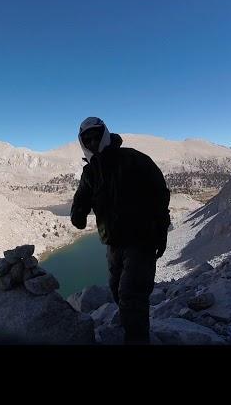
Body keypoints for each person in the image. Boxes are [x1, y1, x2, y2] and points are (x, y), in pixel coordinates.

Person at [70, 117, 171, 344]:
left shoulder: (133, 159)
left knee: (132, 294)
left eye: (96, 136)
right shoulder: (91, 173)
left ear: (105, 134)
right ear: (83, 142)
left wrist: (161, 230)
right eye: (89, 139)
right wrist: (78, 214)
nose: (94, 142)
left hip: (142, 240)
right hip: (114, 243)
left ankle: (137, 339)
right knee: (116, 289)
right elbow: (82, 200)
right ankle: (130, 329)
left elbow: (160, 194)